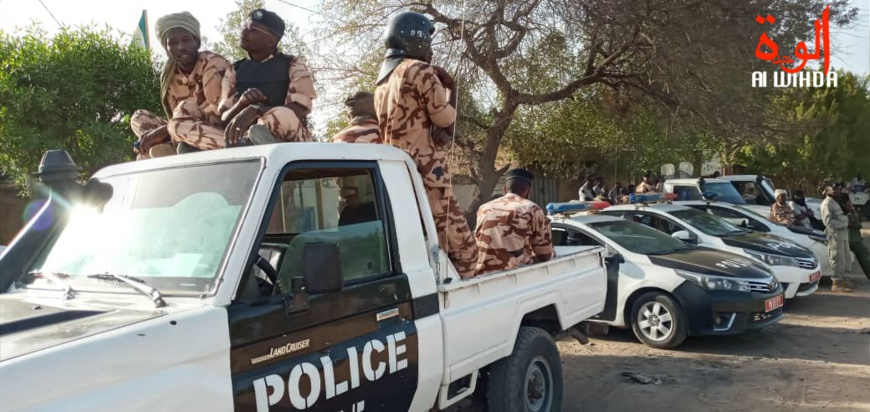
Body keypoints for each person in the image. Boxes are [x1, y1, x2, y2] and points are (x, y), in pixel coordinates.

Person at [373, 11, 478, 278]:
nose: (430, 50)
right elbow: (448, 121)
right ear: (415, 39)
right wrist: (452, 88)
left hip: (401, 175)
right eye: (428, 43)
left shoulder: (384, 82)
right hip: (428, 175)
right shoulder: (418, 70)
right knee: (465, 251)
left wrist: (434, 130)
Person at [173, 9, 317, 151]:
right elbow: (224, 118)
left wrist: (255, 111)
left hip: (291, 139)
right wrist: (242, 104)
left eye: (253, 29)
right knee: (182, 113)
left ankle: (213, 145)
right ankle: (242, 144)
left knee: (283, 114)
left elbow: (298, 110)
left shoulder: (293, 64)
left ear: (272, 39)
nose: (244, 32)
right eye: (244, 27)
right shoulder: (235, 70)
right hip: (240, 134)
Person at [130, 12, 234, 159]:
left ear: (196, 42)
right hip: (183, 129)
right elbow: (173, 116)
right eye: (172, 43)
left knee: (184, 110)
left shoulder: (213, 63)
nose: (180, 47)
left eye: (186, 40)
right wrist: (154, 136)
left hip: (215, 127)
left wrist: (163, 130)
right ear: (167, 48)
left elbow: (219, 113)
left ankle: (237, 145)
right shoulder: (169, 74)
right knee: (139, 117)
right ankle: (170, 149)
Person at [475, 168, 554, 275]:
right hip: (516, 275)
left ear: (504, 189)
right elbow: (544, 255)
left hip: (481, 274)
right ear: (529, 191)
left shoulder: (483, 208)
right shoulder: (531, 208)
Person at [820, 184, 854, 292]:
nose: (837, 191)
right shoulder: (827, 203)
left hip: (843, 233)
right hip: (835, 233)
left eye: (838, 189)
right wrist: (844, 224)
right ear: (827, 191)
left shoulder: (835, 202)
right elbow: (828, 222)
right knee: (836, 257)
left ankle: (843, 279)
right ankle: (836, 282)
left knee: (845, 257)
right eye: (834, 190)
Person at [839, 193, 870, 280]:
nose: (851, 204)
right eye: (849, 203)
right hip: (851, 239)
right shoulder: (843, 213)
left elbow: (859, 221)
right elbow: (857, 224)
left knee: (865, 254)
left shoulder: (849, 212)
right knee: (864, 254)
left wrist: (853, 212)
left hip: (854, 238)